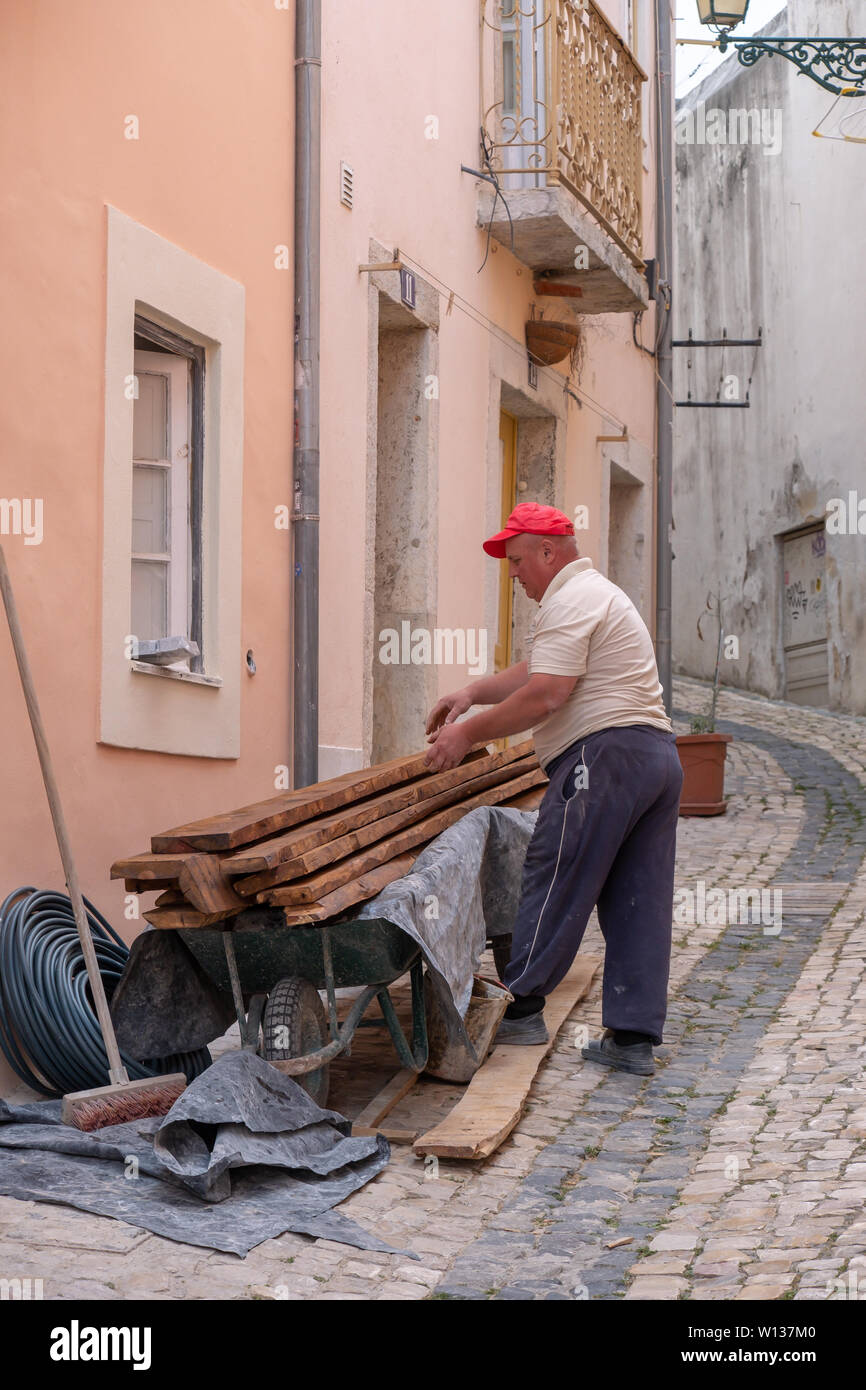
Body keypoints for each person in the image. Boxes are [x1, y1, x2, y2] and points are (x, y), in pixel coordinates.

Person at [424, 502, 682, 1076]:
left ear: (549, 551)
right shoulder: (593, 595)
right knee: (636, 899)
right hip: (656, 759)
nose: (513, 575)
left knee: (555, 867)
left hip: (604, 757)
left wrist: (465, 734)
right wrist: (472, 692)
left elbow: (546, 695)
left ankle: (520, 1008)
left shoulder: (572, 598)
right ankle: (633, 1038)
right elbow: (533, 671)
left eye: (517, 561)